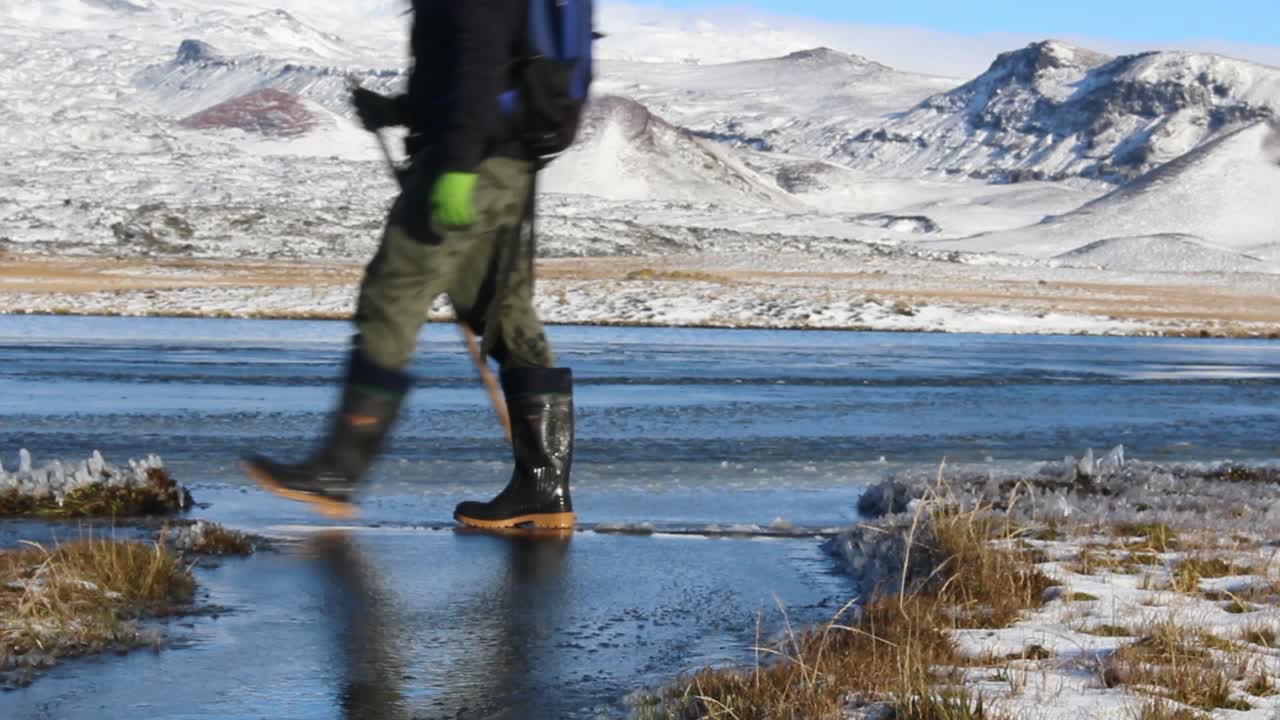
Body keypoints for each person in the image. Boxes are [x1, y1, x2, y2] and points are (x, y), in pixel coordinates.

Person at [241, 0, 582, 530]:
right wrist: (399, 111)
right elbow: (473, 68)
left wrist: (458, 164)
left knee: (393, 292)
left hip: (471, 161)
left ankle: (337, 471)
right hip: (505, 160)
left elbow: (479, 61)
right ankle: (541, 492)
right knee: (502, 310)